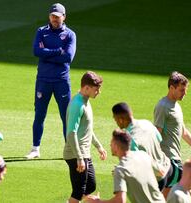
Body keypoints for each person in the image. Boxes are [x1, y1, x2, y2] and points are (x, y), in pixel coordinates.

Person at [26, 2, 77, 159]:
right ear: (49, 16)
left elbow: (68, 57)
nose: (55, 19)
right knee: (39, 114)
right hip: (43, 80)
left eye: (58, 16)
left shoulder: (70, 35)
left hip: (61, 81)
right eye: (52, 16)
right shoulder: (41, 32)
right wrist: (57, 51)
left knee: (65, 116)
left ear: (64, 17)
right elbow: (36, 51)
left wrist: (46, 54)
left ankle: (68, 149)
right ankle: (35, 149)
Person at [154, 71, 191, 196]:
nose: (185, 93)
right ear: (171, 88)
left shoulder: (176, 106)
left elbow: (183, 132)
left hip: (175, 158)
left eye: (185, 90)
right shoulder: (163, 106)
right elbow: (156, 133)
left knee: (170, 194)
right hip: (168, 160)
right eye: (181, 90)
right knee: (185, 189)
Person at [85, 129, 165, 203]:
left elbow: (120, 200)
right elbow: (161, 172)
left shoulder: (120, 170)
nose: (110, 144)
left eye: (112, 142)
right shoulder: (143, 154)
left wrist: (98, 202)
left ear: (116, 146)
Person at [63, 71, 107, 203]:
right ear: (86, 88)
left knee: (91, 185)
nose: (98, 92)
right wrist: (79, 158)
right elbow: (71, 133)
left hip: (84, 153)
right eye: (96, 89)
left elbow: (87, 130)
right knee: (78, 191)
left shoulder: (86, 102)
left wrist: (99, 146)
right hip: (75, 154)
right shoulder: (77, 105)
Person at [112, 102, 174, 191]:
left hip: (157, 178)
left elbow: (137, 166)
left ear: (120, 119)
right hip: (167, 167)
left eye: (115, 119)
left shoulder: (130, 140)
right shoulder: (147, 123)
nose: (116, 122)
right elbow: (159, 139)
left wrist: (120, 170)